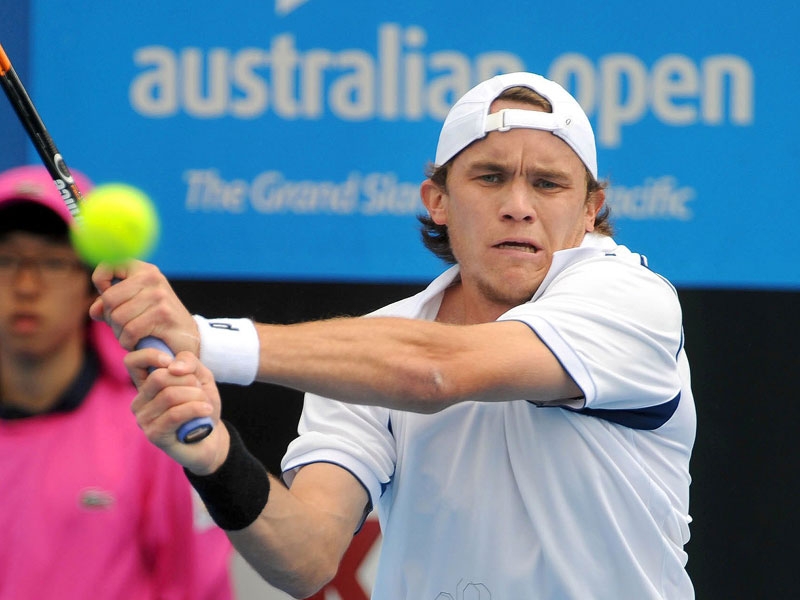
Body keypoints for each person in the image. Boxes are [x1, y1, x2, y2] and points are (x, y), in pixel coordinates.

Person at [92, 72, 696, 599]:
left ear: (591, 210)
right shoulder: (374, 348)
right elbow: (305, 560)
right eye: (489, 178)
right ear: (438, 200)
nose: (518, 205)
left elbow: (435, 372)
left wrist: (204, 339)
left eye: (548, 183)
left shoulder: (634, 300)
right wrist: (218, 460)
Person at [0, 165, 235, 600]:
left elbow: (196, 588)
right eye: (6, 259)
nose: (26, 285)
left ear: (92, 286)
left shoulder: (157, 430)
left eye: (52, 262)